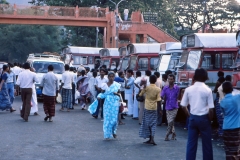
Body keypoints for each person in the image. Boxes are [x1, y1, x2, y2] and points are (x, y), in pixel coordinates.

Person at [181, 68, 214, 160]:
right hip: (204, 118)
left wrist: (189, 115)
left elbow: (183, 106)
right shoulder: (208, 90)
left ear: (194, 77)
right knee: (207, 144)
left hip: (193, 117)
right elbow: (211, 109)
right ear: (206, 77)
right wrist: (210, 119)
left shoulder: (188, 89)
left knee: (191, 144)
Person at [88, 72, 121, 139]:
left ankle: (113, 131)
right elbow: (102, 93)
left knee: (114, 120)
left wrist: (116, 94)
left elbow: (120, 94)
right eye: (110, 77)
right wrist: (99, 97)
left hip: (114, 103)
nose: (111, 78)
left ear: (114, 77)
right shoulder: (105, 85)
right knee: (107, 119)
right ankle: (107, 134)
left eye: (113, 77)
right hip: (107, 104)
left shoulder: (117, 85)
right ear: (108, 77)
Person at [139, 75, 161, 145]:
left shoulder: (147, 88)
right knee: (153, 124)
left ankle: (149, 138)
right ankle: (152, 138)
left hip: (147, 107)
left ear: (149, 80)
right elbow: (159, 100)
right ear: (155, 81)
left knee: (146, 123)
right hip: (154, 108)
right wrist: (160, 109)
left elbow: (140, 94)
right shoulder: (158, 89)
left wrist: (143, 87)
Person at [220, 82, 240, 160]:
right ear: (232, 89)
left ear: (223, 90)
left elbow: (224, 114)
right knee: (235, 150)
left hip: (226, 127)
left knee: (228, 150)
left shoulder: (222, 102)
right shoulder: (237, 98)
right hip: (236, 127)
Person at [161, 74, 179, 141]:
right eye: (169, 79)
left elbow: (177, 97)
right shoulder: (165, 88)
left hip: (175, 107)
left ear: (174, 80)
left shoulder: (177, 88)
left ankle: (166, 135)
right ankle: (173, 133)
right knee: (170, 122)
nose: (170, 80)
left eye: (171, 79)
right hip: (168, 106)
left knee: (171, 121)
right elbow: (162, 96)